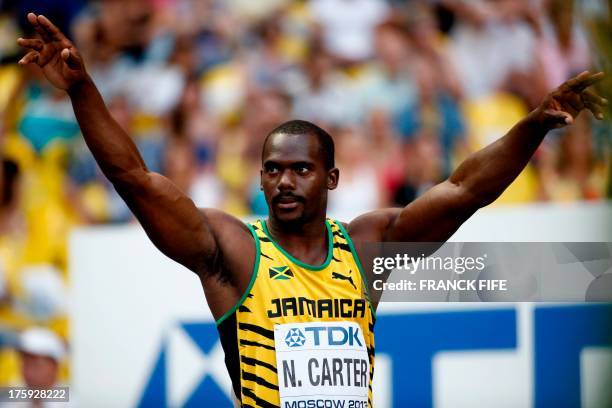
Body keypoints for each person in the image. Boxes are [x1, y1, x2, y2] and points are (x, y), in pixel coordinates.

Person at [17, 12, 606, 407]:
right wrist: (82, 90)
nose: (284, 181)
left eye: (301, 169)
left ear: (332, 178)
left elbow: (464, 191)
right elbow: (134, 178)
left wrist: (531, 127)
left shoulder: (365, 246)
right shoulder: (235, 251)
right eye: (273, 170)